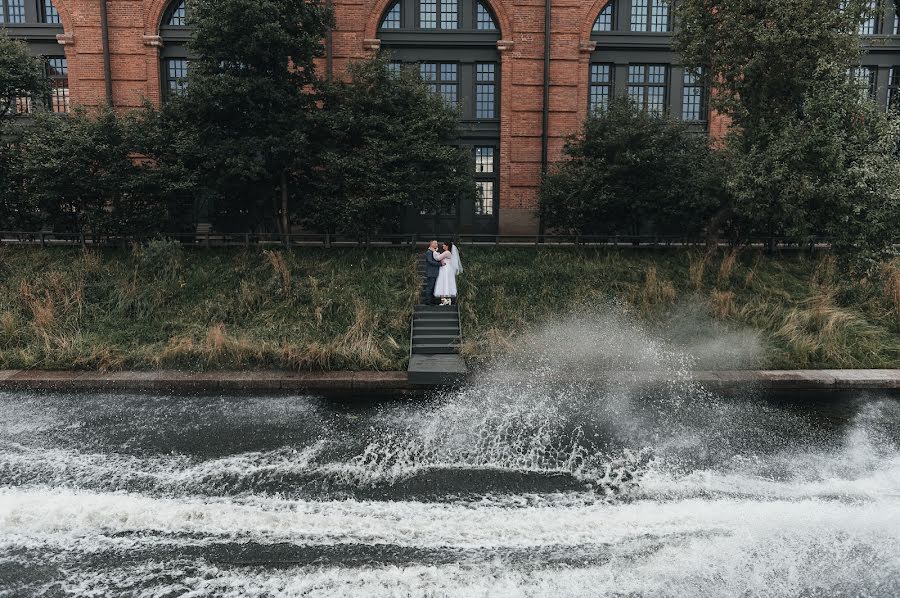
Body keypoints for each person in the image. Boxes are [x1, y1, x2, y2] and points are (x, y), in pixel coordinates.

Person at [433, 241, 462, 306]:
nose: (442, 246)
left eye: (444, 245)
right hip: (447, 269)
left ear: (447, 246)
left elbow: (437, 258)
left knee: (444, 282)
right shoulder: (448, 253)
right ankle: (447, 300)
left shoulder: (447, 252)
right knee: (446, 283)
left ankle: (444, 300)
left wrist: (434, 251)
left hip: (445, 269)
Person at [423, 240, 442, 305]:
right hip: (431, 272)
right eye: (435, 243)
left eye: (437, 243)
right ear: (431, 244)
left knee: (433, 287)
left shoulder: (434, 252)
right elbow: (430, 261)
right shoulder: (429, 252)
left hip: (434, 272)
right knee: (430, 287)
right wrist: (440, 264)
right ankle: (428, 301)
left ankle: (432, 300)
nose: (436, 244)